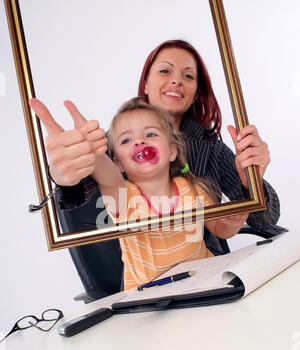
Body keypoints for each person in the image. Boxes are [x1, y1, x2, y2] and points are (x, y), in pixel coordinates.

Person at [29, 39, 280, 258]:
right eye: (165, 70)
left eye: (189, 76)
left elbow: (255, 220)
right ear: (146, 84)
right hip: (142, 278)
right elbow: (82, 181)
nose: (176, 80)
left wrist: (252, 184)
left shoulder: (208, 148)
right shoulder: (117, 141)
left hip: (206, 271)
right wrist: (61, 174)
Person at [92, 97, 248, 289]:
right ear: (118, 164)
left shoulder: (193, 188)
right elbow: (107, 176)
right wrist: (94, 153)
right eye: (126, 140)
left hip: (206, 282)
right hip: (150, 299)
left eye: (150, 134)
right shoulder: (123, 196)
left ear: (172, 151)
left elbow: (220, 229)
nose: (140, 141)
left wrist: (232, 222)